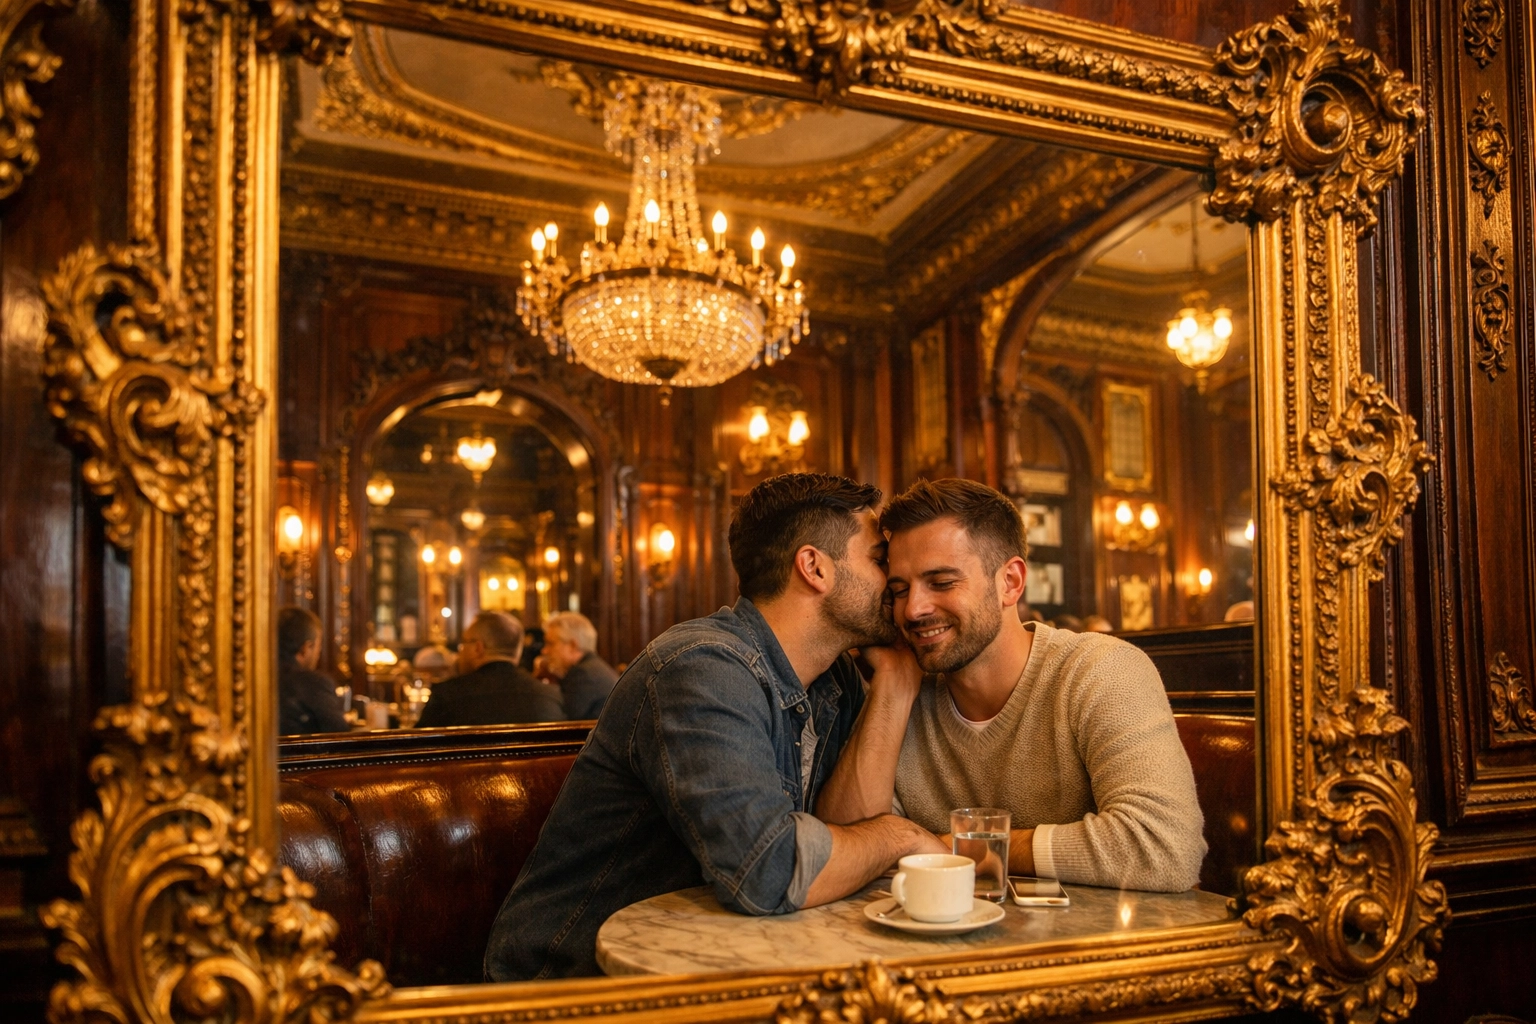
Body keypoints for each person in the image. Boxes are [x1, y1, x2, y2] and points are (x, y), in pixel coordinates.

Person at [484, 473, 946, 981]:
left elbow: (849, 831)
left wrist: (897, 687)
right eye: (880, 560)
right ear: (814, 567)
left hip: (720, 964)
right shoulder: (702, 667)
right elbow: (769, 872)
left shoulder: (832, 678)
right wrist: (901, 838)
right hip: (578, 982)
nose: (898, 583)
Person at [818, 478, 1205, 893]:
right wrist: (893, 687)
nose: (913, 609)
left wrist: (964, 846)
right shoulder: (904, 693)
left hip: (1106, 950)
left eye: (942, 583)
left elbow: (1165, 848)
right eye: (899, 590)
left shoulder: (1101, 671)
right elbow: (840, 854)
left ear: (1011, 582)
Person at [414, 612, 564, 728]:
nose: (460, 651)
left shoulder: (447, 695)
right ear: (517, 651)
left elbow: (417, 753)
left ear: (478, 648)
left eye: (464, 643)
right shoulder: (549, 696)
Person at [278, 607, 349, 735]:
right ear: (306, 648)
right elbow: (341, 737)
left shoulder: (254, 678)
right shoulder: (314, 683)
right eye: (318, 646)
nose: (318, 654)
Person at [540, 611, 619, 719]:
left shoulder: (583, 675)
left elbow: (563, 723)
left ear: (572, 646)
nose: (545, 651)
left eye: (550, 643)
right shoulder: (592, 667)